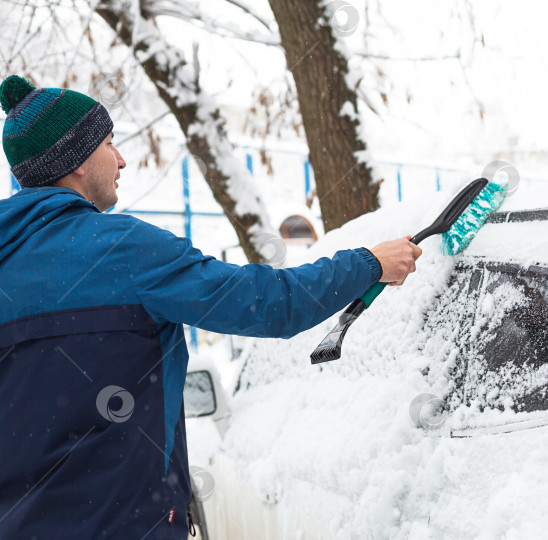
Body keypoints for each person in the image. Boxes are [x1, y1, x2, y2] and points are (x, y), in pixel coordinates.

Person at [0, 75, 421, 539]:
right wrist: (368, 264)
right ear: (75, 161)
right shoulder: (123, 251)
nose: (120, 158)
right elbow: (266, 304)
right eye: (107, 143)